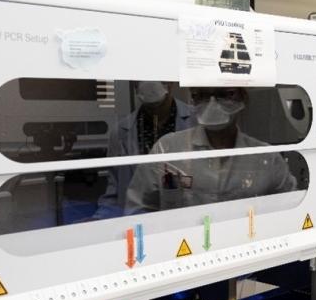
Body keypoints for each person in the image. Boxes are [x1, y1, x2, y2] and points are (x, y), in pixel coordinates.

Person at [125, 86, 296, 212]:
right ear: (193, 98)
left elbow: (292, 208)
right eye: (202, 95)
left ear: (243, 97)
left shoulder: (265, 158)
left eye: (225, 94)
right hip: (182, 252)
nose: (212, 103)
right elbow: (138, 211)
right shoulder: (168, 150)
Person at [95, 81, 194, 218]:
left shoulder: (196, 121)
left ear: (170, 84)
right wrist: (99, 222)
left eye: (159, 104)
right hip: (139, 220)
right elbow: (114, 193)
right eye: (150, 106)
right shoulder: (121, 132)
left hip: (187, 219)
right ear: (134, 87)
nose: (155, 112)